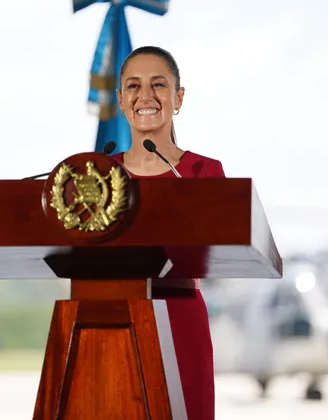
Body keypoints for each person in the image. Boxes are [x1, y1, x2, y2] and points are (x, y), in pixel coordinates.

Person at [113, 45, 223, 420]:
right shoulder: (97, 175)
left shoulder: (204, 173)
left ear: (178, 98)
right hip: (112, 319)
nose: (145, 95)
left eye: (158, 84)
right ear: (121, 100)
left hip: (180, 319)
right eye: (134, 86)